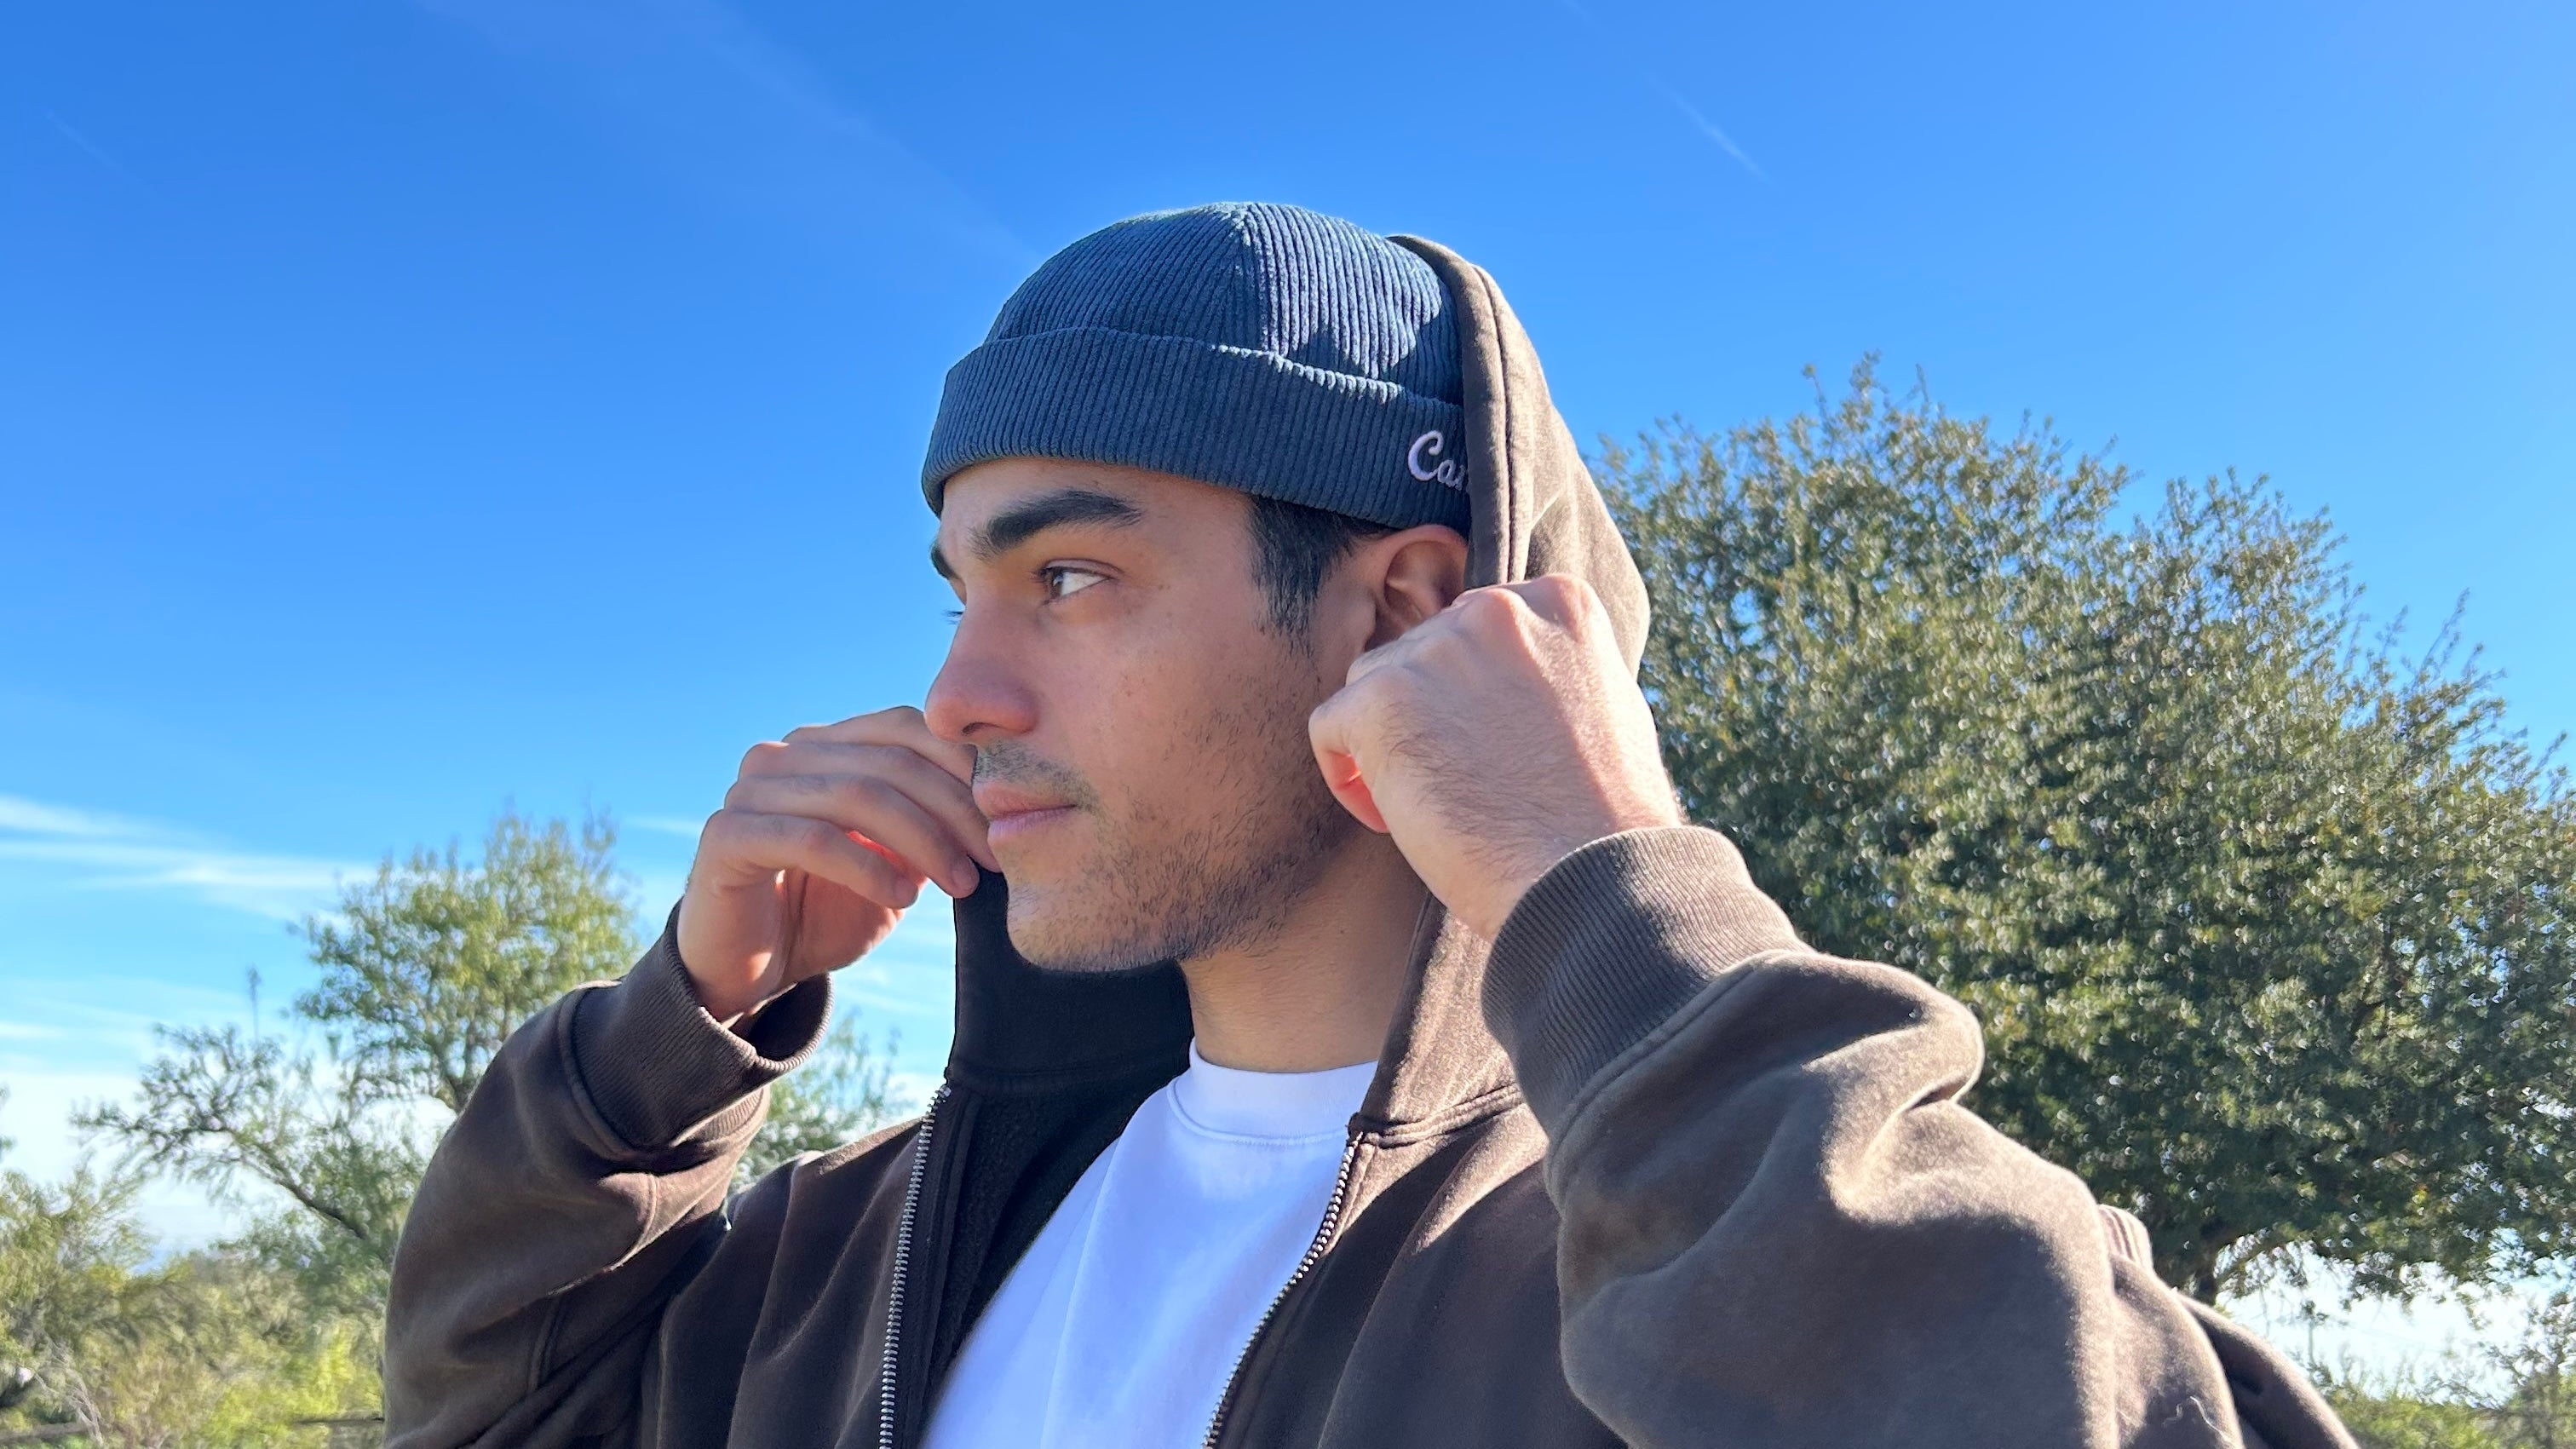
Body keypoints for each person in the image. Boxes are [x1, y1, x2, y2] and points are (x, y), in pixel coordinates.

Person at [383, 203, 2355, 1449]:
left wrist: (1606, 884)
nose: (960, 693)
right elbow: (479, 1409)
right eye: (960, 589)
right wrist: (662, 1050)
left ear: (1401, 611)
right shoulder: (861, 1242)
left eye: (1068, 578)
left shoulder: (1690, 1272)